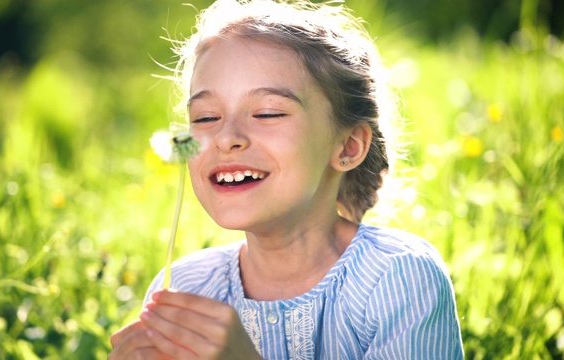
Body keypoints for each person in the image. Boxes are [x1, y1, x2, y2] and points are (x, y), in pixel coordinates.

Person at [110, 0, 464, 358]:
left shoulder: (397, 277)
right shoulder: (185, 289)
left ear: (348, 145)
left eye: (267, 113)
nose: (225, 137)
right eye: (205, 118)